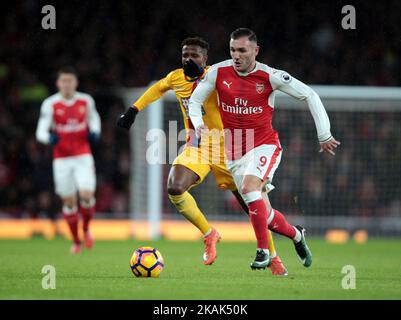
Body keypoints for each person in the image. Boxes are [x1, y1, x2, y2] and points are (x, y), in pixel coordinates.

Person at [117, 37, 288, 275]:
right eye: (186, 55)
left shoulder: (218, 76)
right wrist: (133, 110)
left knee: (253, 205)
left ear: (205, 59)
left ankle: (275, 258)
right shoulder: (176, 77)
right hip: (197, 147)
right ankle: (209, 234)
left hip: (230, 149)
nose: (189, 59)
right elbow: (157, 88)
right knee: (175, 187)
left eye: (195, 55)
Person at [188, 28, 341, 269]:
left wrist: (324, 134)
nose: (236, 55)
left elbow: (310, 95)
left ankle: (263, 252)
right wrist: (198, 125)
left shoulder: (270, 76)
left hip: (264, 145)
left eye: (242, 50)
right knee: (266, 217)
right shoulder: (218, 72)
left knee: (249, 188)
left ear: (255, 51)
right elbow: (195, 101)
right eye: (232, 50)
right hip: (234, 154)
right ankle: (297, 235)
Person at [36, 67, 101, 254]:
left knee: (87, 196)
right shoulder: (50, 104)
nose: (67, 84)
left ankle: (86, 229)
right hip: (62, 159)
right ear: (58, 83)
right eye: (63, 81)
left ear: (75, 83)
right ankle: (75, 241)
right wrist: (49, 138)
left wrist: (95, 132)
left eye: (70, 81)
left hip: (82, 156)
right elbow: (40, 131)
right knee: (69, 202)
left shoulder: (86, 101)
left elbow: (94, 120)